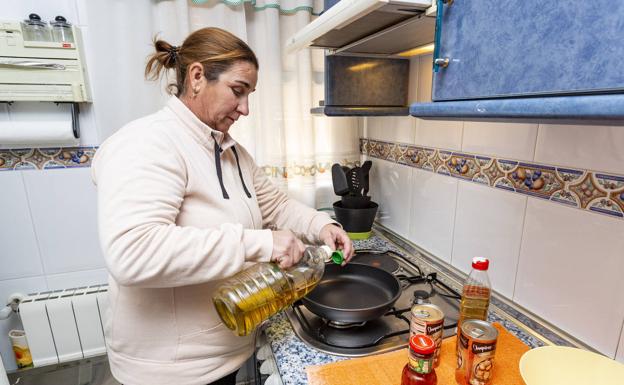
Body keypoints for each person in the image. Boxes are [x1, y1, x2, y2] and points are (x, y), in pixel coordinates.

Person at [91, 27, 354, 385]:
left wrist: (322, 226)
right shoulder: (148, 143)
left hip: (221, 354)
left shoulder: (229, 151)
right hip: (171, 373)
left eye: (249, 95)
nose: (245, 109)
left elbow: (275, 204)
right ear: (197, 77)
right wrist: (261, 243)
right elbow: (133, 252)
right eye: (238, 91)